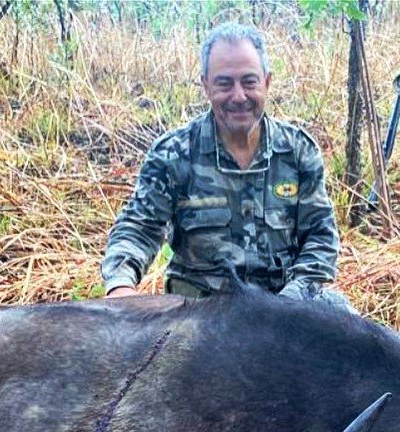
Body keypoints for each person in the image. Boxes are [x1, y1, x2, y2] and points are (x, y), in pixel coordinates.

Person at [100, 23, 350, 310]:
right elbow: (138, 227)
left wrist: (290, 303)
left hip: (283, 307)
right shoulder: (173, 153)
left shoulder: (297, 151)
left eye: (249, 81)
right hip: (196, 314)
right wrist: (121, 286)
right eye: (224, 83)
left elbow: (320, 237)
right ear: (205, 85)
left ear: (267, 82)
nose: (239, 96)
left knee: (347, 323)